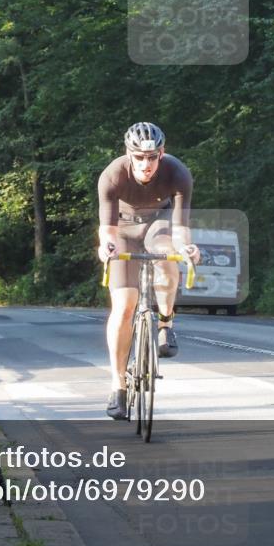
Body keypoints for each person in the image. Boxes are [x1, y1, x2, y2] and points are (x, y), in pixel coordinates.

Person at [97, 122, 200, 420]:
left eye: (152, 157)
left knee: (168, 255)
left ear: (162, 153)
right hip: (124, 228)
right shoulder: (112, 176)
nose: (146, 164)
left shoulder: (177, 173)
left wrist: (187, 249)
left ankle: (165, 324)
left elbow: (181, 230)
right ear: (128, 154)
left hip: (161, 224)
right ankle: (117, 384)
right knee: (124, 306)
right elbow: (108, 231)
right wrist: (107, 248)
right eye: (139, 157)